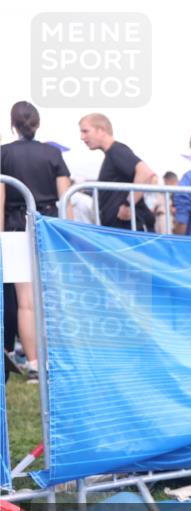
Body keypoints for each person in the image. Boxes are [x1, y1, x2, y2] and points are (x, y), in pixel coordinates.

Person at [0, 101, 72, 383]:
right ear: (37, 124)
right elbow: (66, 197)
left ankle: (33, 364)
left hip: (16, 227)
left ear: (13, 124)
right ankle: (54, 357)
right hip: (49, 227)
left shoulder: (3, 153)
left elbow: (1, 198)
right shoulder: (53, 153)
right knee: (52, 297)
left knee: (26, 302)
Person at [78, 112, 157, 231]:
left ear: (101, 130)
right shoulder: (112, 153)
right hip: (120, 230)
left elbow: (146, 172)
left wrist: (128, 204)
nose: (82, 137)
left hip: (131, 230)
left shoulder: (116, 151)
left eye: (85, 131)